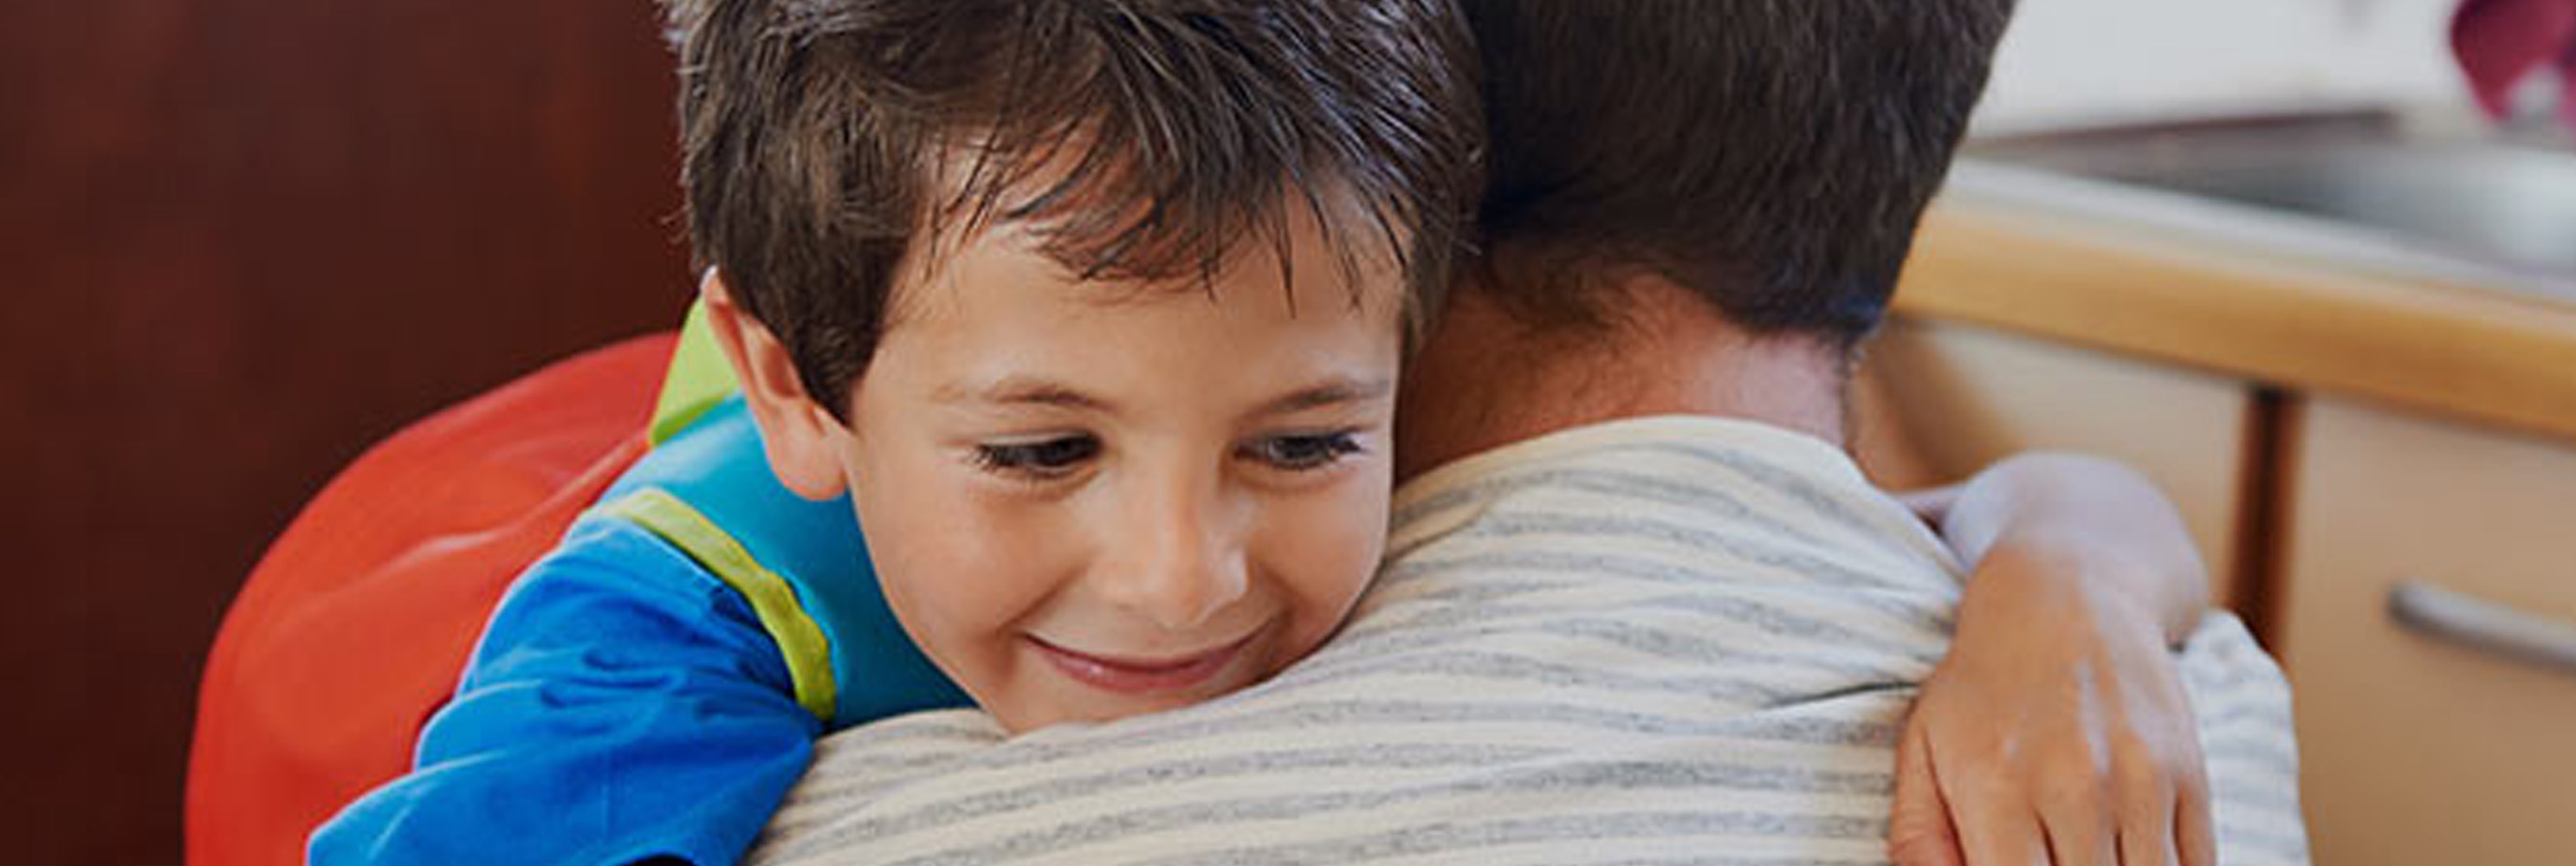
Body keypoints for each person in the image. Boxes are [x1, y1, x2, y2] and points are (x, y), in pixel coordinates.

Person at [312, 2, 2237, 864]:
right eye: (1048, 451)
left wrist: (2064, 575)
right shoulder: (662, 649)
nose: (1184, 575)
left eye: (1310, 442)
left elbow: (1959, 498)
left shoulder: (1296, 340)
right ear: (797, 392)